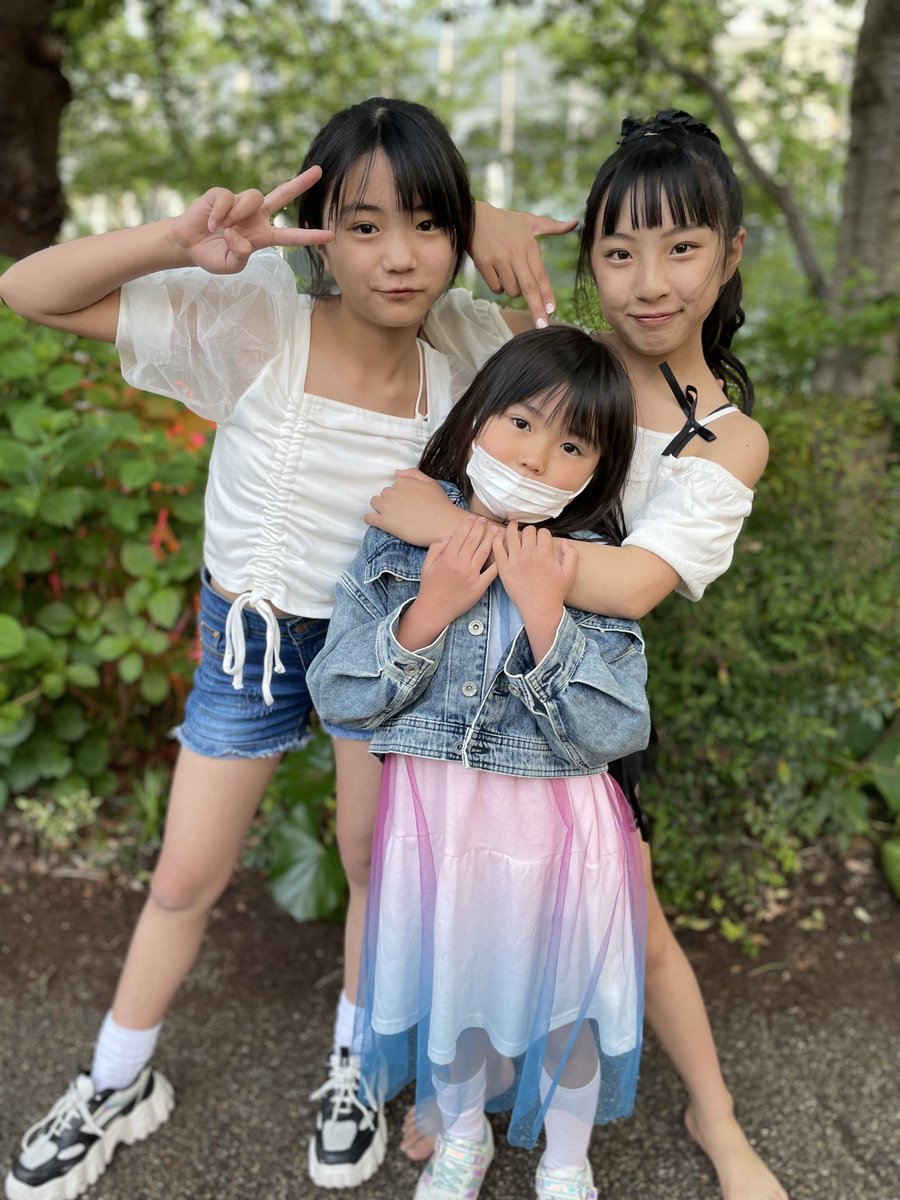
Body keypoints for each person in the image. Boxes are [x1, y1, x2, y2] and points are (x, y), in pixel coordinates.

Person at [0, 96, 482, 1200]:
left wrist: (488, 221)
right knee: (185, 874)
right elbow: (27, 290)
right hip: (253, 641)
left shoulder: (466, 360)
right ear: (320, 236)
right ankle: (116, 1080)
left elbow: (592, 395)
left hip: (387, 648)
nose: (399, 256)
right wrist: (178, 240)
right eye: (364, 225)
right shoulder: (261, 324)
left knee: (372, 865)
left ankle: (357, 1068)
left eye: (428, 225)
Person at [366, 111, 788, 1200]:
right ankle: (461, 1093)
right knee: (458, 902)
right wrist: (478, 216)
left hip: (583, 707)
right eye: (617, 250)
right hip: (455, 698)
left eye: (682, 247)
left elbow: (632, 582)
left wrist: (445, 527)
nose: (649, 281)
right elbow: (414, 265)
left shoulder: (725, 437)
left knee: (628, 928)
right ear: (590, 258)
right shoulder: (552, 358)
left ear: (731, 254)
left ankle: (716, 1120)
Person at [308, 325, 651, 1200]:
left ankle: (566, 1159)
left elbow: (619, 728)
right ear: (476, 415)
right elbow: (339, 693)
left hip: (559, 833)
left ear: (599, 471)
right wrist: (429, 610)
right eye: (522, 423)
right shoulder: (403, 541)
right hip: (442, 823)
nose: (536, 457)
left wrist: (547, 615)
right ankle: (463, 1137)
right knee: (454, 989)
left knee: (568, 1005)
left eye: (572, 445)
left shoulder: (591, 570)